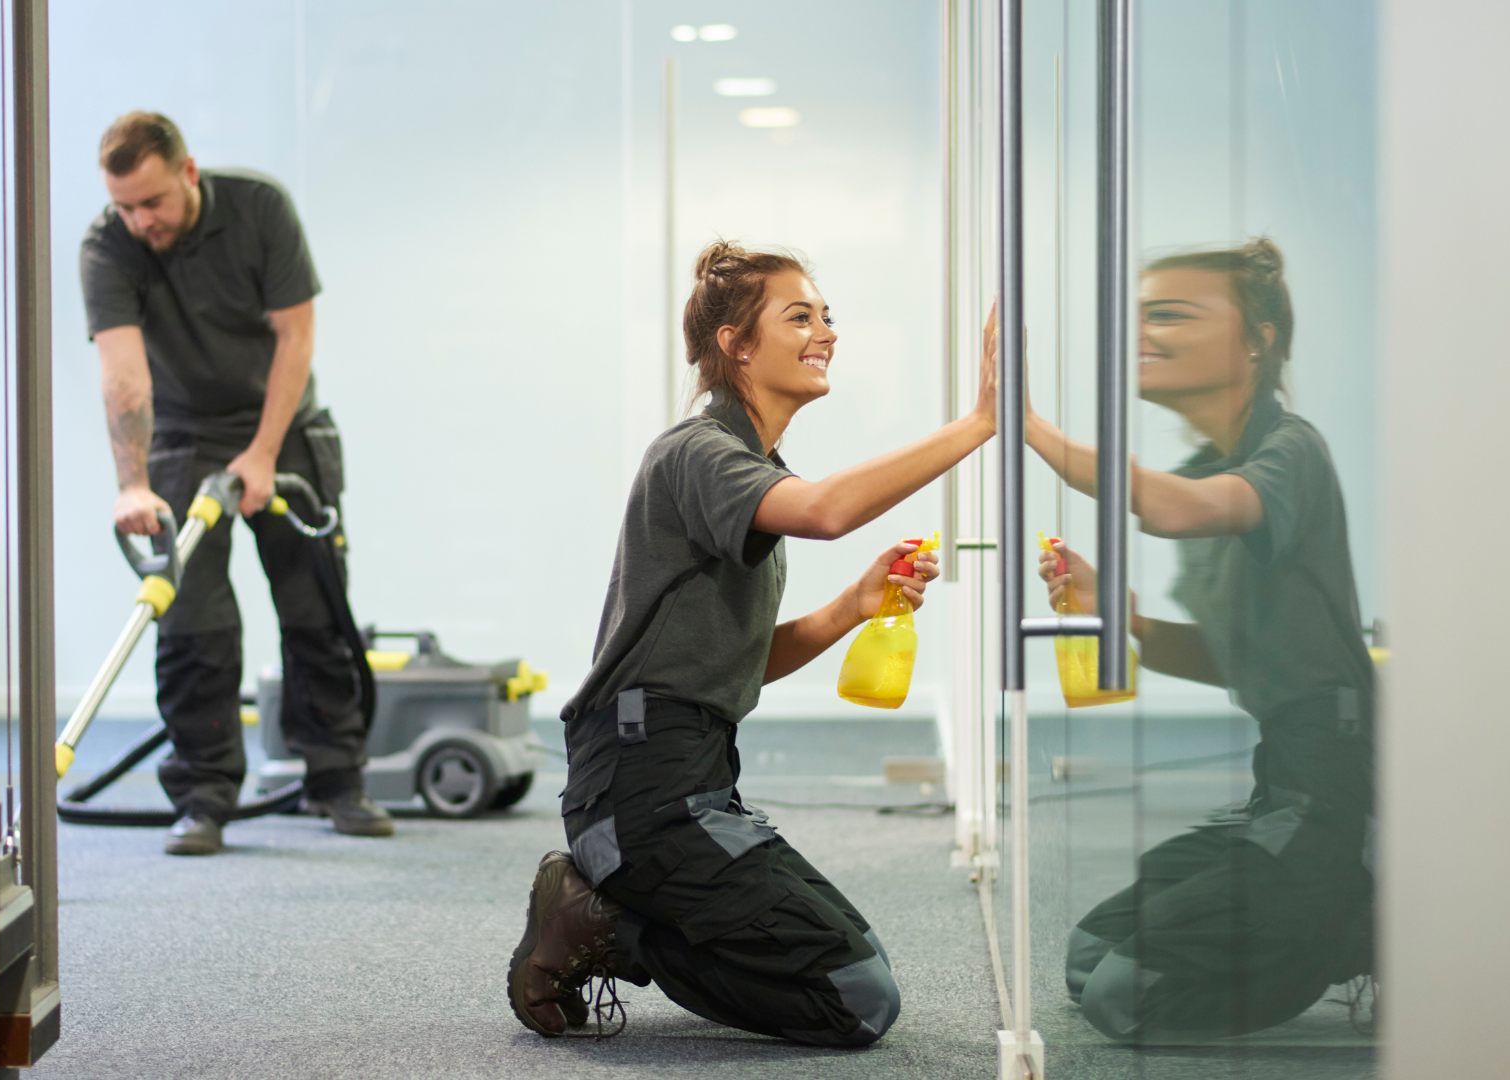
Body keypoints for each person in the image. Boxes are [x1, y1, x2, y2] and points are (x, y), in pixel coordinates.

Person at [507, 242, 997, 1045]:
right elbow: (829, 511)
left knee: (857, 967)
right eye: (798, 316)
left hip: (695, 781)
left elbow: (727, 663)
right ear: (735, 343)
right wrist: (980, 423)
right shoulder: (699, 452)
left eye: (827, 315)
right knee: (856, 1001)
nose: (825, 331)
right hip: (639, 791)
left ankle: (617, 907)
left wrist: (851, 607)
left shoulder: (748, 462)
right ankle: (602, 919)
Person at [1028, 238, 1376, 1042]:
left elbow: (1175, 507)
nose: (1143, 332)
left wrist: (1027, 428)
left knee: (1128, 997)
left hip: (1333, 790)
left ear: (1256, 338)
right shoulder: (1210, 462)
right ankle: (1333, 912)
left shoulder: (1291, 452)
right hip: (1277, 784)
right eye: (1140, 315)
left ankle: (1355, 917)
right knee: (1092, 955)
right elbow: (1239, 658)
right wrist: (1132, 623)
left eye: (1172, 314)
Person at [79, 111, 390, 855]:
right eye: (124, 205)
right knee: (192, 627)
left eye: (151, 201)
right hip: (182, 439)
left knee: (316, 610)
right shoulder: (108, 244)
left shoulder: (259, 209)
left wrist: (262, 452)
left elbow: (296, 337)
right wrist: (131, 482)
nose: (138, 220)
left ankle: (335, 780)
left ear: (188, 172)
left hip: (283, 428)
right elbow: (123, 374)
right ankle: (205, 795)